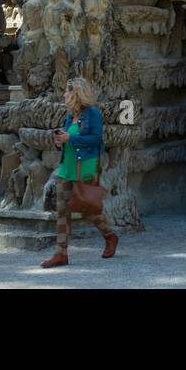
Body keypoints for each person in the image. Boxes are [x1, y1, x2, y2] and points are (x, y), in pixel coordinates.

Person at [40, 77, 117, 268]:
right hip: (66, 167)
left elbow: (95, 139)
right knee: (62, 211)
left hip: (86, 166)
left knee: (89, 208)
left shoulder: (93, 113)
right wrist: (59, 142)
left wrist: (70, 138)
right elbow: (68, 139)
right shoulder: (69, 116)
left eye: (67, 92)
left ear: (76, 94)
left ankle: (110, 236)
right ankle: (61, 254)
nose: (64, 95)